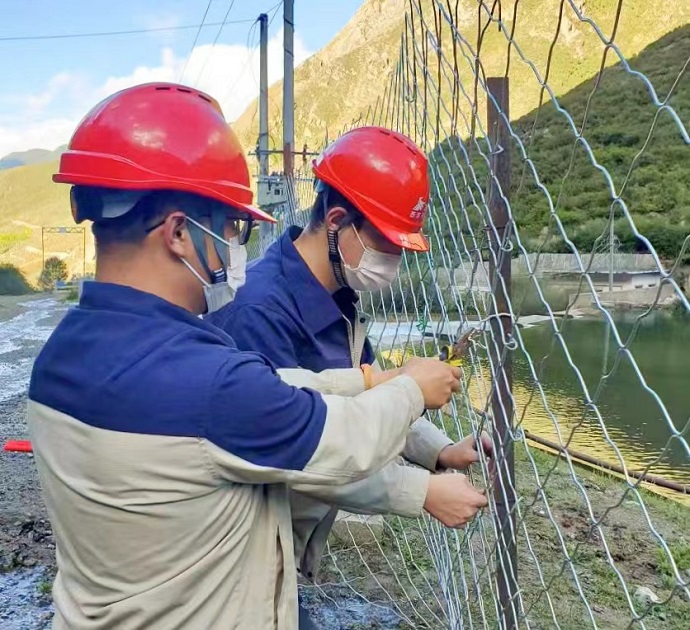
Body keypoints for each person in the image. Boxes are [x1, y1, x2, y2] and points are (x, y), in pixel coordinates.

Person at [26, 83, 464, 630]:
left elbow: (270, 391)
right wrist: (411, 390)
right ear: (179, 233)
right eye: (233, 228)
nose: (238, 248)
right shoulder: (208, 381)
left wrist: (372, 382)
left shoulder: (61, 356)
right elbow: (339, 440)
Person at [207, 126, 492, 625]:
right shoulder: (259, 312)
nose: (394, 263)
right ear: (338, 221)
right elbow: (295, 448)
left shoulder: (339, 294)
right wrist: (422, 492)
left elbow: (372, 390)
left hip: (287, 538)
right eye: (387, 244)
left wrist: (439, 451)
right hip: (248, 550)